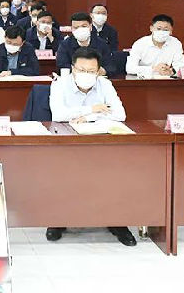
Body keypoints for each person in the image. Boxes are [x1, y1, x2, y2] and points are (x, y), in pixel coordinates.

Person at [47, 46, 135, 247]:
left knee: (115, 173)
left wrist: (87, 116)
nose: (86, 74)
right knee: (64, 174)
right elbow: (58, 114)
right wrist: (93, 109)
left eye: (91, 71)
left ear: (98, 71)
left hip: (101, 142)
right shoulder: (59, 84)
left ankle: (117, 221)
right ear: (73, 68)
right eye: (81, 70)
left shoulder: (105, 84)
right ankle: (58, 219)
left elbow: (120, 114)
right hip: (68, 142)